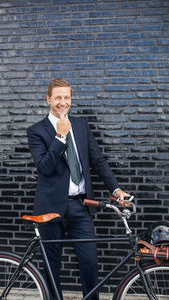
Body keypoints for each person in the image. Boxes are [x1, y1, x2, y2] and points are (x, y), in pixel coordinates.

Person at [27, 78, 130, 300]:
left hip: (81, 206)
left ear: (71, 99)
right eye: (58, 98)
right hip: (50, 208)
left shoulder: (81, 125)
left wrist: (116, 189)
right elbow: (44, 167)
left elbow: (98, 161)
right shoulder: (37, 131)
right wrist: (60, 136)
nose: (63, 102)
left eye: (67, 97)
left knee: (89, 263)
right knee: (51, 265)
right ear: (48, 99)